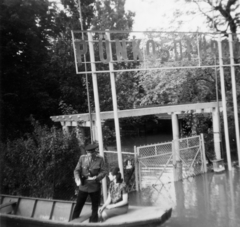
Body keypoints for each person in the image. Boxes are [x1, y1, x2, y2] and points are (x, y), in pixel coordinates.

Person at [72, 143, 107, 223]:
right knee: (78, 205)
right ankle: (73, 222)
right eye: (88, 153)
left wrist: (97, 177)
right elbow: (76, 170)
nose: (89, 155)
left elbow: (104, 171)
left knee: (95, 207)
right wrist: (77, 179)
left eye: (91, 153)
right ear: (86, 152)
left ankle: (93, 223)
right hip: (83, 186)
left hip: (94, 187)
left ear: (95, 152)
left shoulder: (100, 159)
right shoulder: (82, 158)